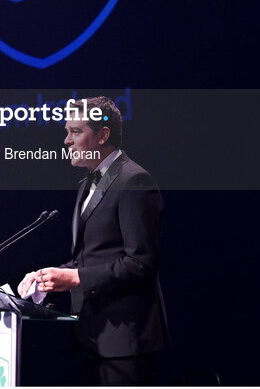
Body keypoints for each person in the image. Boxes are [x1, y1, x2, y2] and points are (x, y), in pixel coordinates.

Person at [17, 96, 169, 386]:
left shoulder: (134, 181)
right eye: (67, 132)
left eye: (76, 131)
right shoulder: (90, 181)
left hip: (126, 341)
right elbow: (92, 257)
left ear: (102, 135)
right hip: (93, 336)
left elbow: (141, 263)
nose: (66, 141)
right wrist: (49, 276)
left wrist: (75, 277)